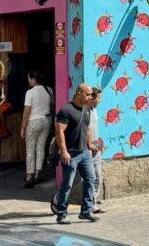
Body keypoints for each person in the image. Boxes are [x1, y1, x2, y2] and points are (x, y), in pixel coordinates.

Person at [54, 83, 97, 224]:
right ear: (79, 93)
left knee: (91, 179)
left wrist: (89, 144)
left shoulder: (87, 109)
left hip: (84, 152)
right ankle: (61, 213)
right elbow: (59, 131)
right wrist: (64, 151)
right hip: (70, 154)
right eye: (88, 94)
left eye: (91, 94)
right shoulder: (66, 110)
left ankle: (86, 211)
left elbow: (87, 129)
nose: (90, 97)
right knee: (67, 185)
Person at [21, 71, 52, 188]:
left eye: (29, 78)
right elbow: (51, 105)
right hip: (46, 120)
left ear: (34, 79)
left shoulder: (30, 92)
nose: (28, 81)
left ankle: (29, 177)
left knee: (30, 149)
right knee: (40, 147)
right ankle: (37, 175)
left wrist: (23, 127)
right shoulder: (49, 90)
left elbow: (27, 111)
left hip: (33, 121)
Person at [86, 86, 105, 214]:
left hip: (95, 146)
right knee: (89, 177)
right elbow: (85, 129)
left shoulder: (95, 111)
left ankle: (93, 203)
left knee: (97, 176)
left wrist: (98, 145)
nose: (100, 101)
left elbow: (94, 129)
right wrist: (89, 144)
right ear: (92, 98)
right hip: (87, 147)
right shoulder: (85, 110)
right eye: (98, 98)